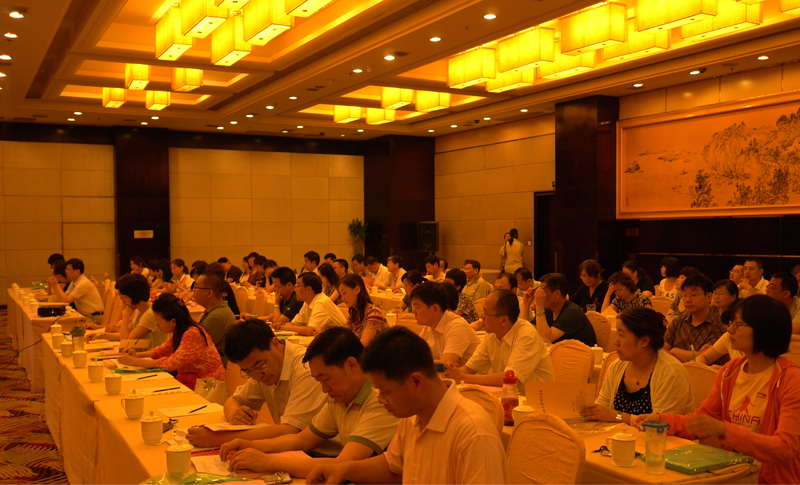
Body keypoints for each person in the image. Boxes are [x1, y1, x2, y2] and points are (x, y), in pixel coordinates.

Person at [632, 295, 800, 485]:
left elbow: (785, 448)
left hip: (771, 479)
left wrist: (725, 430)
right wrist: (662, 420)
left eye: (738, 325)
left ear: (765, 330)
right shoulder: (730, 371)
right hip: (734, 474)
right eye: (731, 323)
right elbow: (701, 421)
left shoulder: (790, 379)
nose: (730, 330)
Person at [307, 327, 507, 485]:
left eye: (384, 392)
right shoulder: (412, 417)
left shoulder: (473, 433)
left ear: (416, 382)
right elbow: (392, 466)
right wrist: (342, 469)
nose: (381, 400)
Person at [217, 328, 399, 476]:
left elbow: (343, 464)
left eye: (326, 379)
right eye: (318, 380)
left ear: (351, 365)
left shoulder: (381, 399)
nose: (324, 389)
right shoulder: (341, 396)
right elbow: (302, 440)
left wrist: (268, 461)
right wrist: (250, 445)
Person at [187, 319, 327, 448]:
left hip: (320, 454)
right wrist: (234, 414)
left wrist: (217, 438)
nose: (257, 376)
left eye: (260, 365)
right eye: (247, 371)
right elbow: (233, 401)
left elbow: (290, 431)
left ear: (275, 344)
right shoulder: (259, 369)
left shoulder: (306, 368)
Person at [581, 308, 695, 425]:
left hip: (661, 437)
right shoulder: (617, 366)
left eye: (621, 335)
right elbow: (602, 408)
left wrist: (617, 416)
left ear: (644, 341)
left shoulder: (671, 373)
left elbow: (660, 425)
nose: (616, 342)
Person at [445, 289, 555, 389]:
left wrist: (462, 377)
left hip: (537, 400)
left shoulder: (527, 335)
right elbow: (469, 369)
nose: (481, 317)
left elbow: (509, 378)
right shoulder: (492, 334)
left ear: (503, 320)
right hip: (510, 396)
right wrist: (452, 372)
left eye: (485, 312)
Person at [117, 293, 225, 389]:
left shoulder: (193, 334)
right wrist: (137, 355)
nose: (157, 326)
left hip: (208, 386)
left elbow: (170, 364)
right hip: (195, 381)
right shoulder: (180, 331)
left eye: (159, 322)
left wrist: (134, 361)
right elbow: (161, 351)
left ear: (173, 321)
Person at [90, 274, 167, 349]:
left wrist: (126, 316)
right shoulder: (139, 311)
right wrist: (99, 335)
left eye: (125, 297)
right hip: (141, 354)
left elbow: (125, 341)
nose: (122, 300)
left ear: (135, 295)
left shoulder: (150, 315)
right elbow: (123, 335)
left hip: (151, 356)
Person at [664, 274, 727, 365]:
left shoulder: (719, 325)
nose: (687, 300)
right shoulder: (678, 321)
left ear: (709, 297)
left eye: (693, 295)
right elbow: (662, 350)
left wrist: (674, 351)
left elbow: (708, 358)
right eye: (684, 295)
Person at [413, 282, 480, 367]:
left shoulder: (457, 326)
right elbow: (416, 355)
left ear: (435, 309)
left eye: (417, 307)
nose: (413, 312)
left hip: (472, 375)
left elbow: (444, 366)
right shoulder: (428, 326)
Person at [530, 273, 597, 346]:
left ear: (557, 294)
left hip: (580, 352)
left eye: (542, 291)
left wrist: (539, 307)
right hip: (560, 351)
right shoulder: (549, 310)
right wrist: (526, 304)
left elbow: (547, 338)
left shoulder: (572, 312)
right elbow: (529, 331)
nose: (538, 295)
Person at [276, 272, 347, 336]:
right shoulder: (307, 302)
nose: (295, 290)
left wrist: (290, 327)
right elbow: (294, 323)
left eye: (297, 286)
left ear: (309, 289)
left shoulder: (321, 302)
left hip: (340, 342)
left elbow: (311, 330)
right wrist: (281, 326)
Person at [194, 271, 237, 366]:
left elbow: (195, 348)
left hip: (212, 367)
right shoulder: (215, 311)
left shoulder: (216, 317)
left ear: (209, 293)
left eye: (196, 287)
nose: (193, 290)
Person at [45, 258, 105, 323]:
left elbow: (67, 300)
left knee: (64, 324)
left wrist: (56, 286)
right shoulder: (74, 282)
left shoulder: (83, 283)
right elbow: (64, 297)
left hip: (93, 317)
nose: (66, 272)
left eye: (68, 269)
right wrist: (53, 286)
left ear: (77, 271)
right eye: (66, 269)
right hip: (85, 315)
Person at [698, 280, 742, 365]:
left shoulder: (739, 314)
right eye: (715, 293)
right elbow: (703, 357)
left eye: (721, 294)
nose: (716, 297)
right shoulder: (709, 311)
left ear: (733, 296)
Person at [339, 274, 388, 346]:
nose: (343, 298)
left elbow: (362, 346)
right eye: (341, 295)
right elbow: (343, 333)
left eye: (344, 293)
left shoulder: (374, 314)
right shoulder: (354, 311)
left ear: (357, 289)